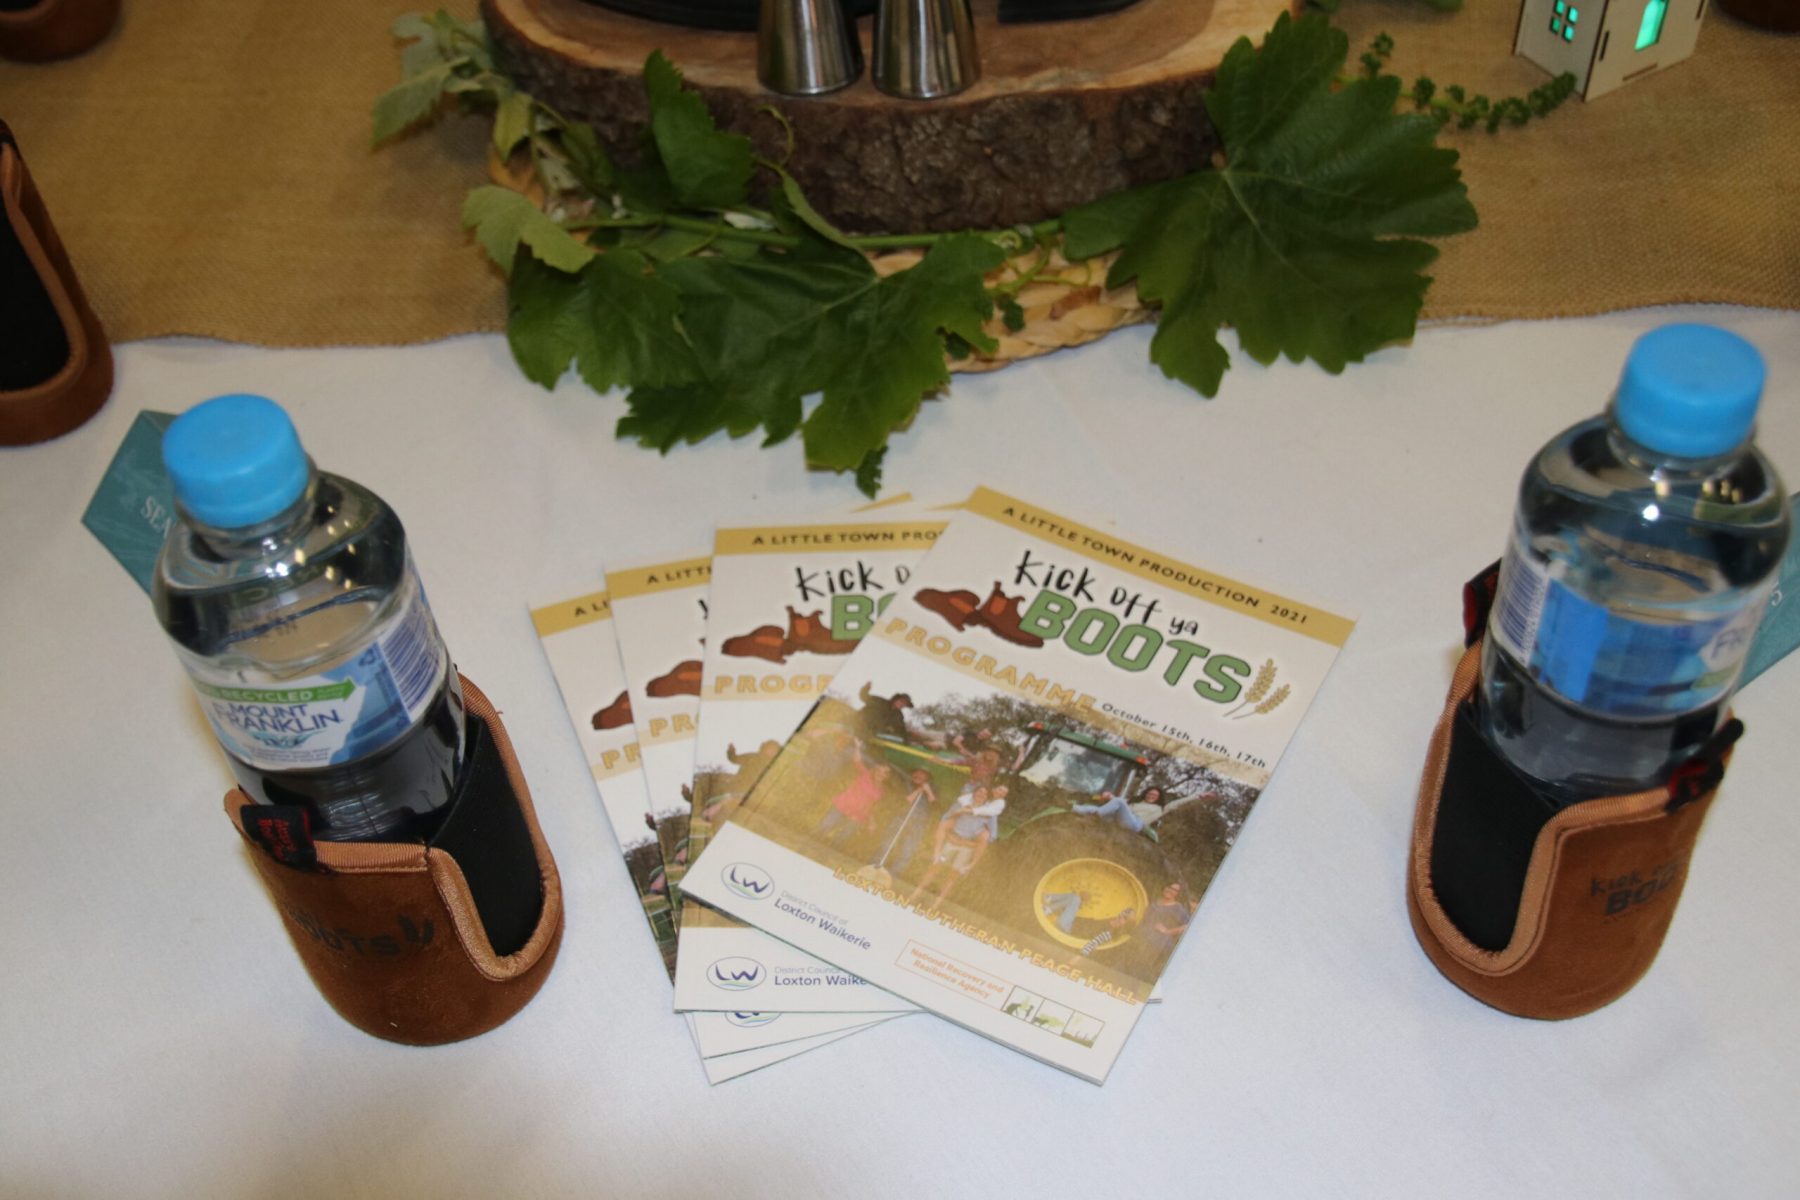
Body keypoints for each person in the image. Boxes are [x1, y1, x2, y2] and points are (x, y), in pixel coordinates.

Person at [907, 785, 1007, 909]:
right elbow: (946, 818)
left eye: (984, 794)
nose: (981, 794)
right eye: (979, 791)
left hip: (966, 848)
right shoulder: (962, 803)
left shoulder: (989, 812)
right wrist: (950, 831)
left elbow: (992, 836)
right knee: (935, 868)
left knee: (952, 876)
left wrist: (972, 843)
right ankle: (915, 894)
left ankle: (936, 905)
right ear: (974, 793)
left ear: (987, 798)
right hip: (951, 842)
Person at [815, 742, 893, 847]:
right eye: (879, 770)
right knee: (822, 829)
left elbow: (871, 807)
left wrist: (871, 821)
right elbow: (857, 761)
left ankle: (831, 849)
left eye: (884, 772)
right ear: (875, 770)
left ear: (887, 776)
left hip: (858, 814)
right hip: (843, 804)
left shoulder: (882, 791)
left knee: (840, 840)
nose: (880, 773)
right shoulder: (865, 775)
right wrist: (857, 747)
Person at [880, 768, 940, 874]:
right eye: (917, 773)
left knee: (908, 850)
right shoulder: (906, 783)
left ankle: (893, 873)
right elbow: (905, 801)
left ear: (927, 778)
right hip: (902, 818)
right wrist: (918, 790)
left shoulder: (932, 789)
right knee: (888, 843)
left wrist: (928, 791)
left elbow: (935, 806)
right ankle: (876, 864)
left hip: (918, 824)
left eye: (922, 775)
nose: (918, 776)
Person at [1142, 882, 1192, 961]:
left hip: (1158, 946)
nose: (1170, 890)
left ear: (1178, 894)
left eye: (1175, 890)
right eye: (1169, 887)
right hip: (1143, 941)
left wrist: (1167, 931)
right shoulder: (1155, 903)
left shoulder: (1178, 908)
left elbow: (1188, 926)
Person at [1070, 791, 1147, 834]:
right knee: (1095, 808)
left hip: (1135, 824)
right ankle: (1071, 807)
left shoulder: (1154, 808)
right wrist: (1109, 796)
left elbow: (1120, 803)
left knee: (1118, 801)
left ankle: (1094, 817)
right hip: (1124, 819)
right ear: (1145, 794)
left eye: (1153, 795)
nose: (1151, 796)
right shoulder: (1136, 801)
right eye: (1149, 794)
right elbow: (1122, 803)